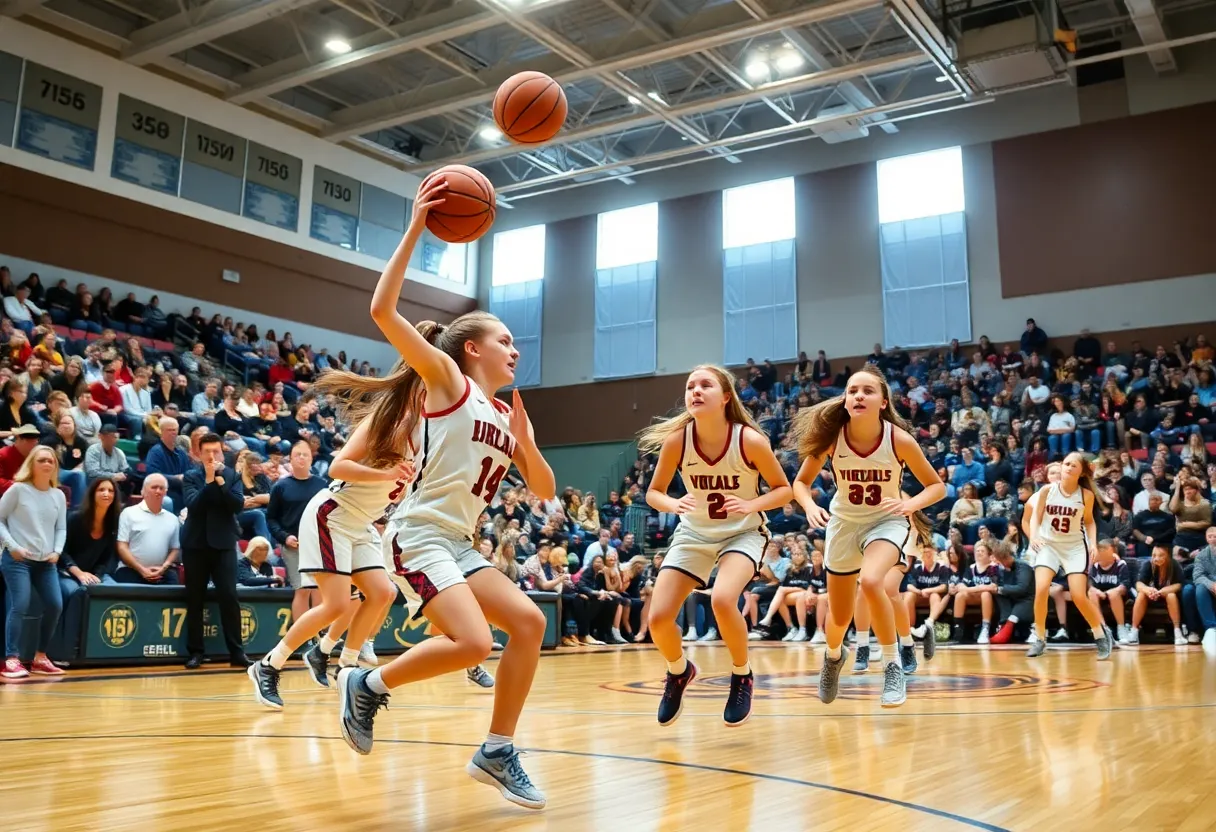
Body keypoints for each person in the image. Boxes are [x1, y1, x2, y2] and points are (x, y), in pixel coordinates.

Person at [328, 177, 554, 809]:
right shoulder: (448, 378)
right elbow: (382, 310)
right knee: (476, 642)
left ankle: (498, 749)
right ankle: (368, 684)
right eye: (506, 341)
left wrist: (526, 444)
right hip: (418, 533)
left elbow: (543, 491)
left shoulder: (501, 410)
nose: (516, 350)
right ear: (473, 347)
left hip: (458, 541)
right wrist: (415, 231)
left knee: (530, 623)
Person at [638, 365, 792, 727]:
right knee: (658, 619)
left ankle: (742, 674)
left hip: (742, 532)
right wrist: (674, 504)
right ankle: (679, 671)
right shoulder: (678, 440)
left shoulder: (749, 440)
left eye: (705, 385)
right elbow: (654, 492)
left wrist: (752, 505)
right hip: (694, 533)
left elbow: (783, 490)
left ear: (725, 397)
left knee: (724, 599)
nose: (695, 390)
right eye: (690, 385)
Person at [789, 365, 945, 708]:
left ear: (883, 401)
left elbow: (937, 486)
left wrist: (910, 505)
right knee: (841, 618)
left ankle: (892, 665)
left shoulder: (899, 440)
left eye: (867, 391)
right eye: (852, 390)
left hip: (885, 522)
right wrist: (809, 506)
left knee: (874, 582)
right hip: (844, 524)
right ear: (845, 400)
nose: (858, 395)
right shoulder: (832, 438)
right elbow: (800, 483)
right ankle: (833, 656)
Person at [248, 418, 412, 709]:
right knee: (336, 604)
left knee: (382, 592)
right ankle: (269, 665)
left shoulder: (426, 447)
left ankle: (345, 667)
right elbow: (337, 467)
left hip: (361, 523)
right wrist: (385, 473)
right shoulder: (389, 424)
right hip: (332, 515)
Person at [1022, 452, 1115, 659]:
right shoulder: (1047, 490)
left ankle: (1100, 634)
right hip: (1049, 545)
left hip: (1074, 547)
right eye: (1066, 464)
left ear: (1081, 472)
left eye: (1073, 465)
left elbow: (1089, 521)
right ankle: (1039, 637)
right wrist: (1034, 537)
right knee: (1042, 589)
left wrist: (1092, 543)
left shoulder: (1086, 495)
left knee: (1078, 595)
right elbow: (1035, 518)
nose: (1068, 468)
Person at [181, 433, 252, 669]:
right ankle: (196, 652)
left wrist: (220, 483)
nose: (211, 456)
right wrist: (210, 480)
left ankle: (237, 652)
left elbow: (236, 505)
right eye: (207, 452)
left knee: (230, 598)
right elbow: (194, 506)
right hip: (196, 544)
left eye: (216, 451)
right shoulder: (191, 477)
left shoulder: (232, 476)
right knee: (195, 599)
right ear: (198, 454)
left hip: (223, 544)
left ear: (222, 452)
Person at [0, 445, 68, 678]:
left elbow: (61, 528)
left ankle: (40, 657)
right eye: (42, 460)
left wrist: (57, 551)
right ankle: (11, 659)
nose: (47, 464)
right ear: (32, 463)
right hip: (17, 559)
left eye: (51, 461)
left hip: (46, 562)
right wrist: (13, 547)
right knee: (21, 603)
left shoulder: (58, 494)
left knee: (55, 605)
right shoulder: (18, 490)